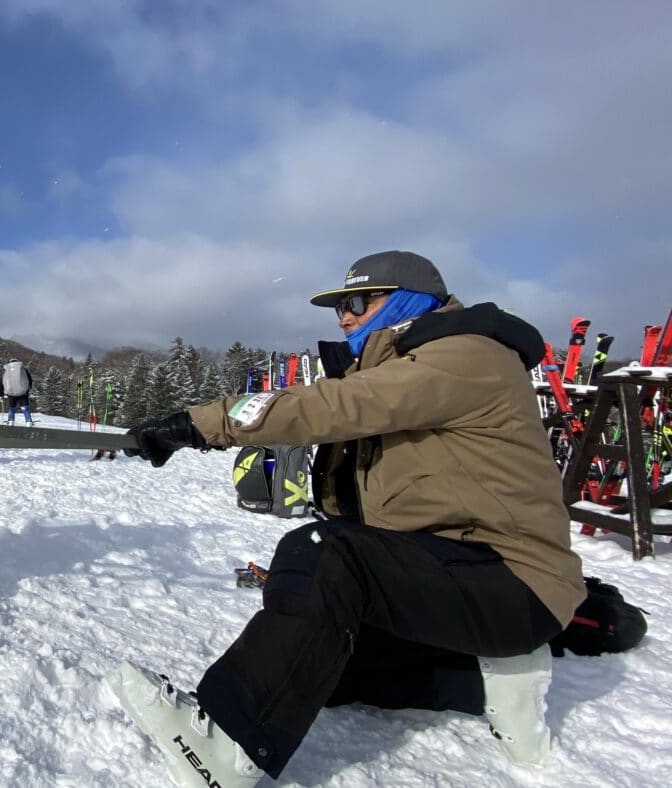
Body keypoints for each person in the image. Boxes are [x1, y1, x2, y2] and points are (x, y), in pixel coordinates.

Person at [110, 251, 585, 785]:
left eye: (358, 302)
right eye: (338, 307)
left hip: (510, 579)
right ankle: (489, 676)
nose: (344, 317)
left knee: (324, 551)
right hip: (464, 573)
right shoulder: (408, 366)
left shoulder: (465, 355)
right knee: (319, 667)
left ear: (411, 302)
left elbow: (334, 406)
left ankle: (230, 744)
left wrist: (199, 425)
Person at [0, 357, 35, 425]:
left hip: (11, 392)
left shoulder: (6, 370)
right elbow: (30, 380)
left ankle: (11, 421)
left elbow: (0, 383)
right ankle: (28, 421)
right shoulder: (23, 369)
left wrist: (1, 395)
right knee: (25, 407)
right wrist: (28, 389)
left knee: (12, 407)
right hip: (23, 392)